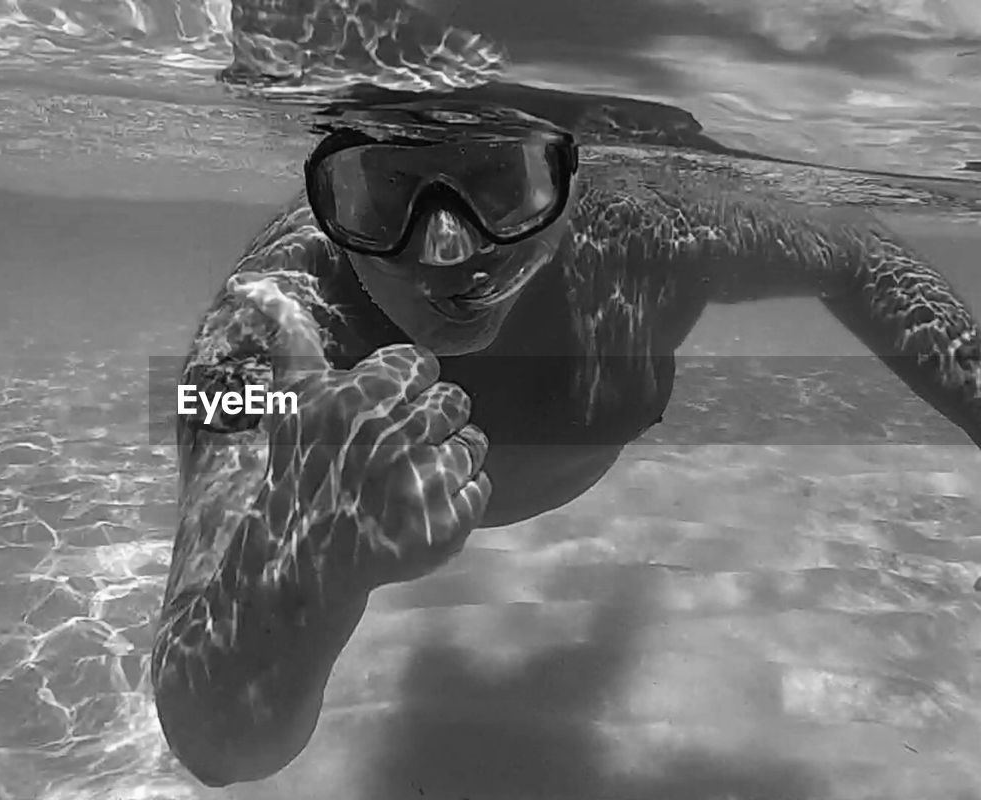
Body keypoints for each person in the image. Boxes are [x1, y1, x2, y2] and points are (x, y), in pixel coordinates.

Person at [149, 99, 981, 786]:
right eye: (381, 195)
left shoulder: (647, 228)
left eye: (501, 186)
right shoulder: (264, 329)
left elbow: (860, 252)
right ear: (326, 200)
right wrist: (305, 567)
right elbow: (214, 741)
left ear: (569, 180)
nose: (448, 249)